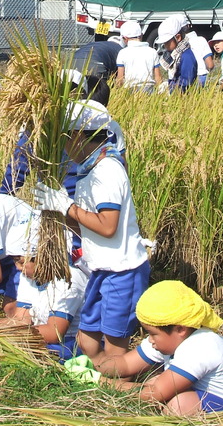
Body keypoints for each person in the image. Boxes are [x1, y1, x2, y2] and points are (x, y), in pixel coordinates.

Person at [33, 100, 150, 370]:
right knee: (86, 339)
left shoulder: (107, 171)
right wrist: (58, 211)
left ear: (77, 136)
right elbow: (85, 228)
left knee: (113, 342)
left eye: (64, 139)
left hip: (122, 270)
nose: (63, 147)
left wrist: (68, 206)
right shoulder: (89, 171)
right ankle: (104, 375)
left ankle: (118, 387)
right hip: (99, 268)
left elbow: (108, 226)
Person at [91, 281, 223, 415]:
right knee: (157, 381)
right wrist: (92, 365)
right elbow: (125, 363)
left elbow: (155, 394)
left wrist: (98, 382)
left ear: (180, 329)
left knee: (179, 404)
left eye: (153, 334)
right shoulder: (168, 340)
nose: (150, 340)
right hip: (217, 399)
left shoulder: (201, 346)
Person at [0, 253, 90, 361]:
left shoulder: (67, 280)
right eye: (15, 262)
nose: (18, 268)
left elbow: (54, 333)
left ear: (42, 258)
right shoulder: (28, 275)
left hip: (72, 342)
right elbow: (21, 319)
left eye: (21, 262)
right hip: (46, 337)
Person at [115, 20, 162, 92]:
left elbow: (120, 79)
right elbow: (158, 77)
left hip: (130, 90)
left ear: (125, 38)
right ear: (141, 35)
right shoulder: (152, 52)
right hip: (150, 90)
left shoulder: (123, 53)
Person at [156, 18, 198, 92]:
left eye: (167, 42)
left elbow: (186, 82)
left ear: (178, 37)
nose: (165, 46)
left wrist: (170, 88)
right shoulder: (177, 55)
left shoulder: (186, 56)